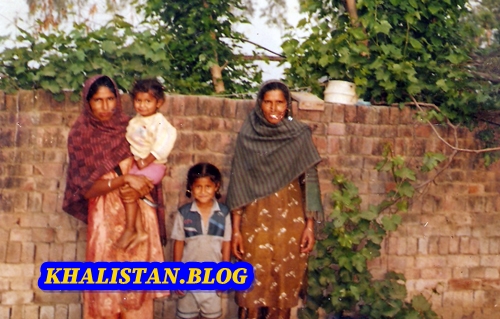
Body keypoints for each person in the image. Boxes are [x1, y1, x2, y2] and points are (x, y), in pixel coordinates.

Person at [62, 75, 168, 319]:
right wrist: (123, 180)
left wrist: (143, 185)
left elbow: (155, 163)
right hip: (105, 219)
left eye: (110, 99)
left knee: (137, 287)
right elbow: (85, 190)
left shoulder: (132, 127)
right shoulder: (80, 135)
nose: (105, 106)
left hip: (138, 215)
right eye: (98, 100)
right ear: (87, 103)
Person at [226, 80, 324, 319]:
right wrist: (236, 230)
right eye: (268, 102)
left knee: (283, 289)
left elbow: (309, 183)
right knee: (250, 288)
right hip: (254, 222)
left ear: (287, 105)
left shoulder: (299, 135)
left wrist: (310, 226)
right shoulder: (248, 136)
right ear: (260, 104)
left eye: (279, 102)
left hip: (290, 223)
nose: (273, 108)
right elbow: (239, 182)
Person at [115, 78, 177, 250]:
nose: (142, 105)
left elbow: (163, 144)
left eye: (147, 101)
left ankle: (130, 229)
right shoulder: (135, 121)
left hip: (154, 166)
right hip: (138, 164)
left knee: (129, 192)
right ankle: (140, 231)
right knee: (129, 192)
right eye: (138, 101)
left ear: (159, 103)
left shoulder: (159, 122)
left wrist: (146, 160)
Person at [171, 163, 231, 319]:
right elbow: (178, 243)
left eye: (208, 187)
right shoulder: (184, 213)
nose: (203, 191)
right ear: (191, 187)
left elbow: (226, 244)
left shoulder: (223, 214)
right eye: (198, 187)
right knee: (185, 315)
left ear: (216, 187)